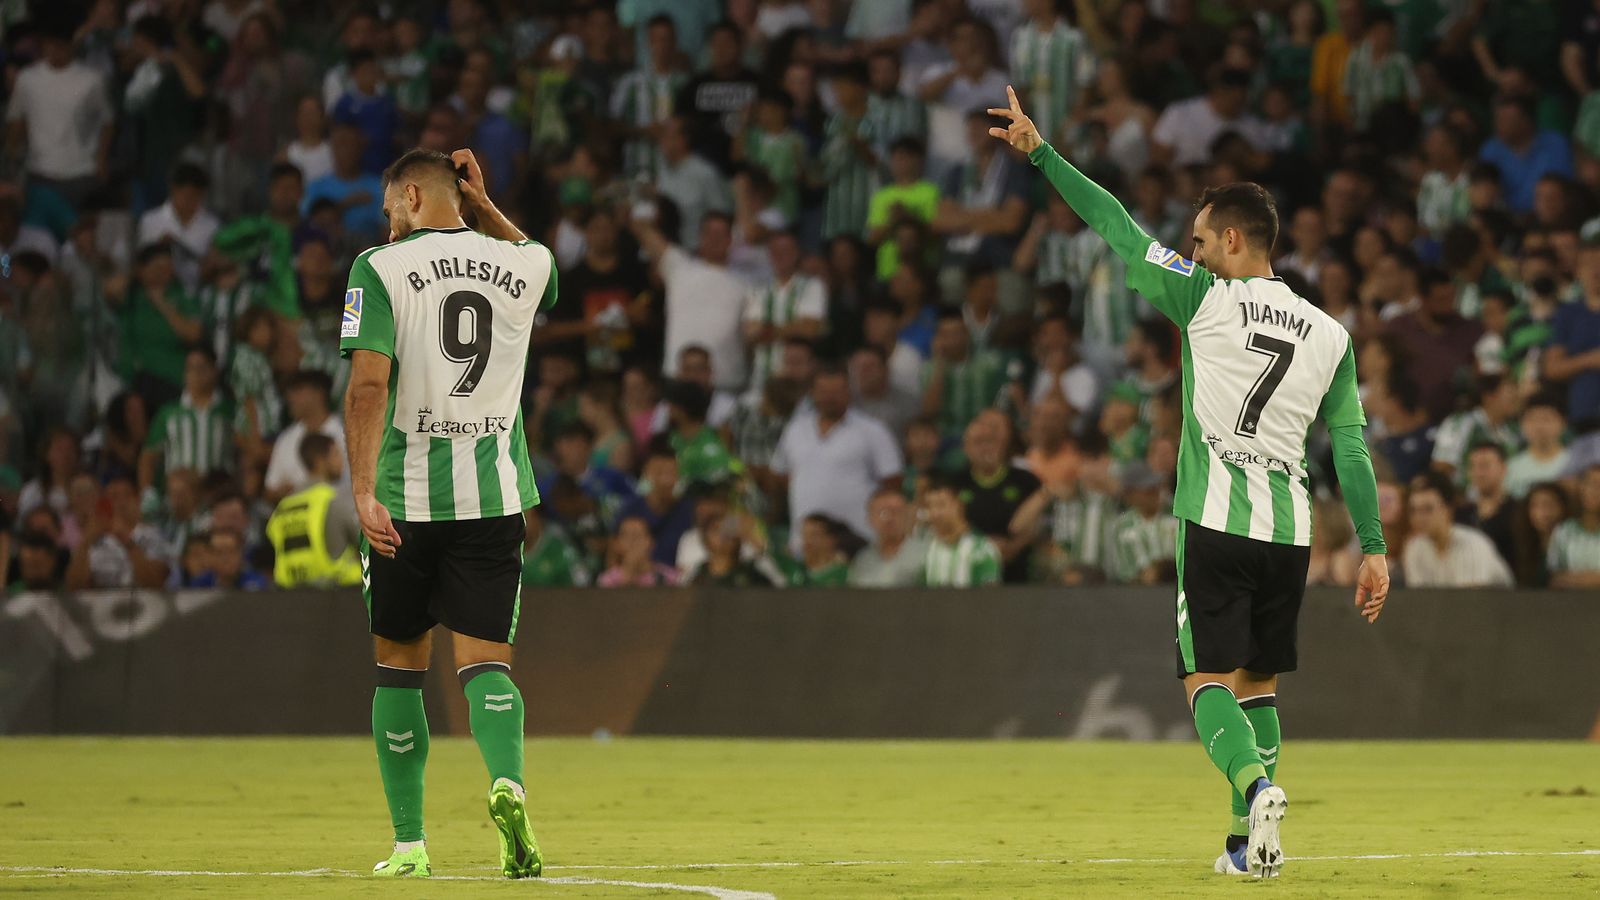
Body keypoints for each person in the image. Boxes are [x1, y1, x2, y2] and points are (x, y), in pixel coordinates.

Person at [991, 86, 1390, 877]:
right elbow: (1351, 449)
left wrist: (1041, 153)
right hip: (1290, 531)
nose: (1194, 250)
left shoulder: (1202, 299)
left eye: (1203, 239)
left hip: (1213, 519)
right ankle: (1246, 845)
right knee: (1261, 682)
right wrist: (1374, 547)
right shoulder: (1332, 335)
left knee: (1204, 677)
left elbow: (1113, 224)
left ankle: (1254, 782)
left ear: (1233, 239)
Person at [339, 148, 552, 879]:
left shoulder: (379, 268)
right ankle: (508, 785)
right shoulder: (524, 266)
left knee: (398, 666)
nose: (385, 217)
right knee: (487, 665)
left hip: (403, 501)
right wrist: (486, 206)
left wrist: (362, 489)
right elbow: (537, 261)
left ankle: (409, 845)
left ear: (407, 196)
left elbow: (368, 388)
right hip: (492, 497)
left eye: (388, 203)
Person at [772, 366, 903, 554]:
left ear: (848, 392)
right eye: (823, 391)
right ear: (812, 393)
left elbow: (892, 483)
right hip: (804, 542)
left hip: (859, 541)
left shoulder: (873, 430)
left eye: (836, 391)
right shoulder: (795, 429)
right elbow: (780, 475)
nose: (830, 398)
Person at [634, 212, 751, 392]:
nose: (714, 239)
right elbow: (642, 229)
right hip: (678, 375)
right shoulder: (680, 267)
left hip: (727, 380)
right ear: (700, 237)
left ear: (730, 239)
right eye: (709, 233)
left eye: (720, 234)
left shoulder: (748, 283)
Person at [952, 412, 1041, 583]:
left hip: (1019, 568)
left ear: (1003, 444)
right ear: (966, 448)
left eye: (991, 441)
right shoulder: (955, 484)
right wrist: (985, 548)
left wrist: (1014, 547)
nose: (986, 448)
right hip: (968, 569)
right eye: (978, 442)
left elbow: (1039, 523)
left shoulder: (1026, 481)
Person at [265, 433, 362, 588]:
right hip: (338, 595)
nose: (341, 462)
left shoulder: (283, 507)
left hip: (289, 597)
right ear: (320, 460)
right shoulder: (333, 500)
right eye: (336, 454)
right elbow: (365, 541)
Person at [1402, 472, 1515, 588]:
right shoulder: (1414, 548)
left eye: (1428, 509)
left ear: (1448, 510)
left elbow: (1471, 601)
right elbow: (1419, 601)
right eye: (1414, 510)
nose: (1419, 518)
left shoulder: (1474, 545)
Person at [265, 371, 346, 503]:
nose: (290, 397)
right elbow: (270, 490)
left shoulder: (346, 434)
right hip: (298, 517)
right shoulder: (286, 439)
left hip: (340, 514)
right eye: (289, 392)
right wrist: (289, 491)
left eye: (298, 390)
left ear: (319, 393)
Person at [616, 442, 698, 567]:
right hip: (636, 579)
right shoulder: (629, 509)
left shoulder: (689, 510)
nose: (665, 479)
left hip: (677, 581)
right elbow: (614, 551)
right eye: (659, 472)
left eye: (671, 472)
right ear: (647, 472)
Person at [921, 475, 1002, 587]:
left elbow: (990, 600)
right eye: (930, 506)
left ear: (959, 505)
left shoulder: (982, 550)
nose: (935, 513)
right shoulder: (926, 548)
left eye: (941, 505)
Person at [1107, 462, 1177, 584]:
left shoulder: (1175, 517)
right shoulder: (1122, 527)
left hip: (1174, 588)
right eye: (1148, 490)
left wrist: (1161, 570)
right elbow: (1123, 572)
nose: (1155, 494)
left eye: (1156, 488)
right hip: (1136, 595)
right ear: (1130, 495)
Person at [1454, 443, 1519, 570]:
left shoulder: (1518, 512)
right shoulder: (1460, 514)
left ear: (1503, 469)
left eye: (1485, 466)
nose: (1479, 473)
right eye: (1473, 467)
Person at [848, 486, 926, 588]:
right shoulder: (862, 560)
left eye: (897, 512)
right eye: (882, 512)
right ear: (869, 518)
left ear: (908, 516)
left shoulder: (925, 554)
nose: (889, 519)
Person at [1505, 394, 1571, 498]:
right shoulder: (1511, 467)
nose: (1539, 426)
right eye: (1533, 419)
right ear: (1522, 425)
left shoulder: (1573, 464)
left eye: (1546, 419)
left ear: (1563, 423)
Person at [1548, 465, 1600, 588]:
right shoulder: (1564, 531)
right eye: (1591, 484)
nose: (1595, 491)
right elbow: (1554, 578)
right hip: (1571, 603)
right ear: (1581, 488)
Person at [597, 515, 680, 587]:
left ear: (650, 542)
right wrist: (629, 570)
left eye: (638, 535)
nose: (632, 541)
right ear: (618, 543)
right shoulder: (606, 580)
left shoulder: (669, 577)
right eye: (626, 536)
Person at [518, 506, 592, 588]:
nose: (515, 526)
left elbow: (581, 588)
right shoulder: (505, 549)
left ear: (535, 516)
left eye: (521, 519)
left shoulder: (559, 549)